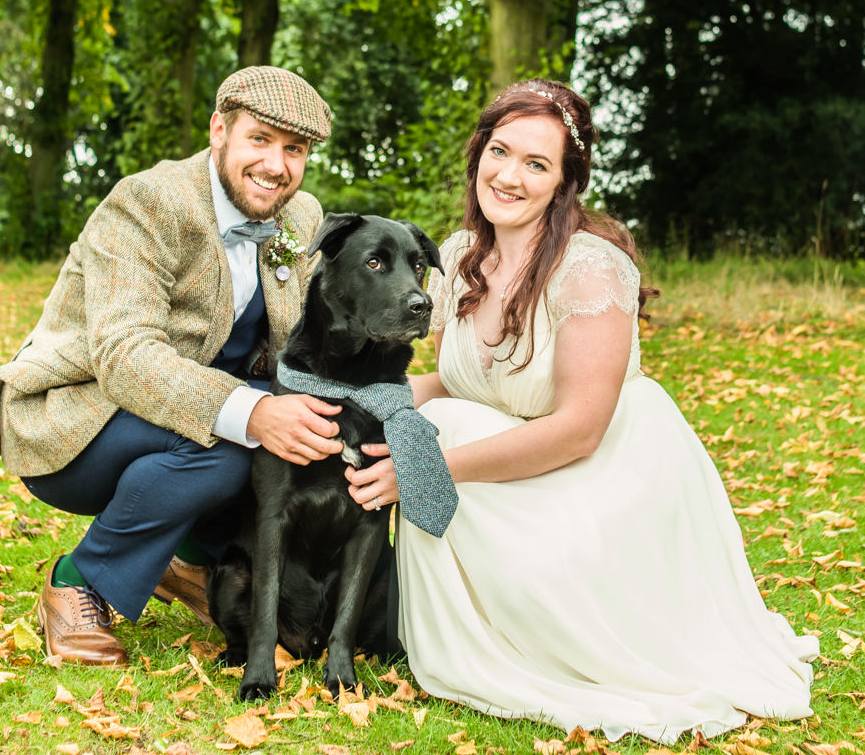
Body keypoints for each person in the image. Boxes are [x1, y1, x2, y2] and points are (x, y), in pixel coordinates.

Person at [344, 79, 818, 743]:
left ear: (565, 180)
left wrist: (423, 471)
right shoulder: (458, 256)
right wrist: (350, 396)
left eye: (536, 164)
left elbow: (579, 431)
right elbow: (451, 385)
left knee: (430, 443)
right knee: (422, 421)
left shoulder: (590, 270)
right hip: (510, 460)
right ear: (479, 151)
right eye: (500, 151)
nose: (509, 175)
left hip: (604, 482)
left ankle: (546, 629)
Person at [0, 66, 345, 666]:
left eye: (293, 149)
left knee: (277, 433)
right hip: (79, 417)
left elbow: (301, 343)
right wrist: (256, 411)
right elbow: (125, 354)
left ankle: (193, 565)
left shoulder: (298, 218)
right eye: (260, 140)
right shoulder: (148, 202)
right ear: (219, 130)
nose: (276, 165)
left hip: (181, 414)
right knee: (233, 440)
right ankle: (77, 583)